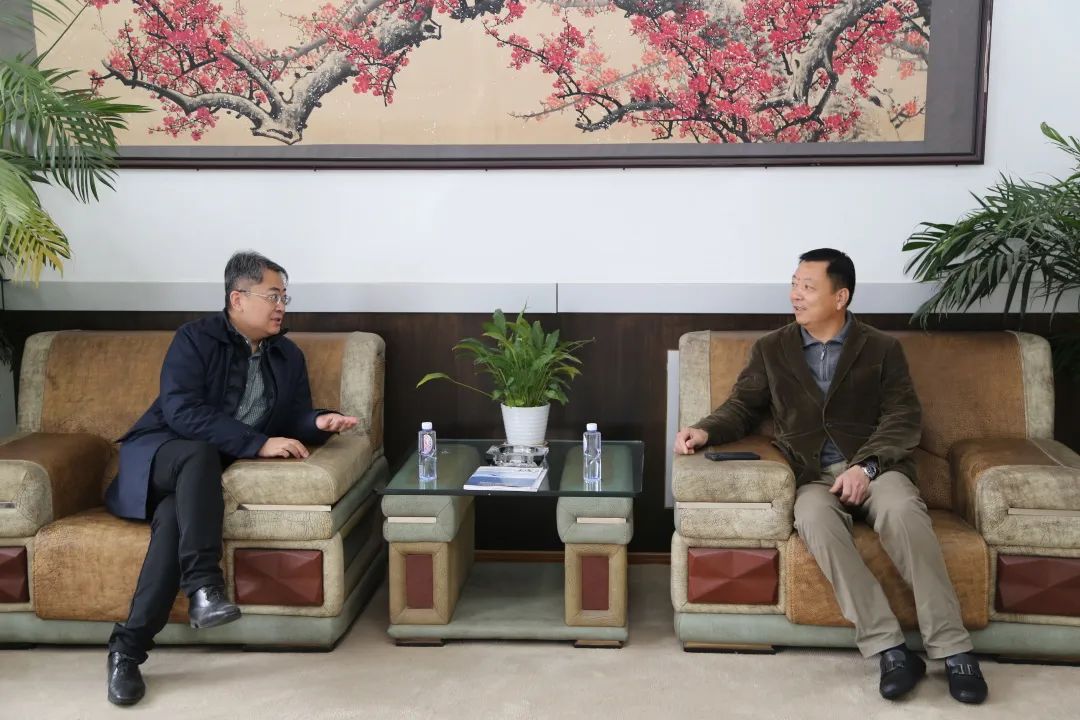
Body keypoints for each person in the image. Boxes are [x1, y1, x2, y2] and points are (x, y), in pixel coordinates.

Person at [673, 248, 988, 704]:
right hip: (812, 476)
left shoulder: (882, 348)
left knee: (903, 514)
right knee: (814, 520)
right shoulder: (772, 348)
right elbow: (742, 407)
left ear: (840, 297)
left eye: (808, 286)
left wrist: (867, 466)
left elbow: (902, 417)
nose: (795, 295)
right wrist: (704, 430)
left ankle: (954, 648)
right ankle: (890, 649)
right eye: (794, 284)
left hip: (877, 469)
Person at [104, 251, 359, 706]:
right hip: (161, 456)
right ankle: (204, 584)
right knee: (198, 453)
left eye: (284, 297)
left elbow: (291, 416)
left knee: (175, 521)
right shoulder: (194, 339)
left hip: (198, 482)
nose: (281, 306)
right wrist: (256, 443)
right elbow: (181, 412)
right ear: (237, 298)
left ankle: (127, 650)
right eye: (273, 296)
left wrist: (319, 421)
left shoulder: (287, 354)